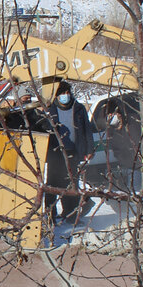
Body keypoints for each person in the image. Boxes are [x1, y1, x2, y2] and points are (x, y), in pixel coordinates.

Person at [44, 82, 96, 222]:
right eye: (62, 93)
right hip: (55, 152)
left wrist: (89, 149)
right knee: (52, 184)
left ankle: (71, 215)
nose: (65, 96)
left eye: (67, 93)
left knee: (71, 183)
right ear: (57, 95)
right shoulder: (50, 110)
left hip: (73, 151)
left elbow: (87, 130)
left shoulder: (78, 108)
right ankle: (50, 215)